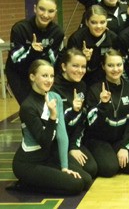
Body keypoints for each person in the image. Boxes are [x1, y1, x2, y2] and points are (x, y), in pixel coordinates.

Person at [12, 60, 92, 195]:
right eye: (44, 76)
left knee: (87, 180)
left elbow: (61, 134)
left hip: (48, 157)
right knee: (76, 185)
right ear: (32, 77)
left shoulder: (55, 97)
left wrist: (65, 167)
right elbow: (44, 141)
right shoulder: (28, 107)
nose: (49, 80)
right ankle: (26, 184)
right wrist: (52, 117)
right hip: (29, 163)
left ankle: (45, 178)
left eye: (52, 76)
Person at [84, 49, 129, 177]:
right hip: (99, 139)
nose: (115, 69)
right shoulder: (95, 89)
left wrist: (124, 146)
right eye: (110, 65)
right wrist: (103, 105)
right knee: (109, 169)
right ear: (103, 66)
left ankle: (115, 154)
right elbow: (92, 125)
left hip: (120, 138)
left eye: (119, 65)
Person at [5, 0, 64, 104]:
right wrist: (32, 51)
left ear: (55, 12)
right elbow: (15, 61)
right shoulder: (20, 29)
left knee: (45, 105)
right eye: (42, 9)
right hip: (19, 74)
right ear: (35, 9)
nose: (45, 15)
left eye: (51, 11)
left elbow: (53, 63)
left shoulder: (57, 33)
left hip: (42, 74)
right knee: (29, 106)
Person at [51, 48, 98, 178]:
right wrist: (72, 111)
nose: (80, 70)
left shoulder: (82, 86)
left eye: (83, 67)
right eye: (75, 66)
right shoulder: (53, 87)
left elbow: (81, 120)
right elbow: (54, 124)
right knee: (83, 177)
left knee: (92, 169)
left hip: (72, 140)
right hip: (55, 143)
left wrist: (73, 146)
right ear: (64, 66)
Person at [67, 5, 118, 86]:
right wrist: (82, 59)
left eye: (102, 22)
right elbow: (68, 66)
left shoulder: (113, 38)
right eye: (94, 22)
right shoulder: (76, 38)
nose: (98, 26)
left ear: (107, 22)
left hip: (105, 79)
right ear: (87, 22)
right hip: (81, 80)